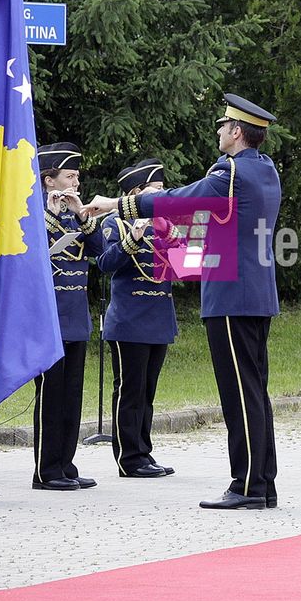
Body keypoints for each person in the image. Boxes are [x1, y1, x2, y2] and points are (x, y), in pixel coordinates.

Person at [83, 93, 281, 510]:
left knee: (240, 394)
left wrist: (116, 204)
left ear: (237, 132)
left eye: (224, 125)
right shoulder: (265, 169)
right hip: (257, 294)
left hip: (231, 296)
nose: (219, 130)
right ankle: (263, 483)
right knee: (255, 391)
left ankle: (247, 486)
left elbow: (179, 200)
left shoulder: (230, 172)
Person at [97, 159, 180, 479]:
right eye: (155, 190)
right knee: (130, 391)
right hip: (129, 321)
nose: (162, 195)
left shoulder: (166, 225)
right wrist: (132, 239)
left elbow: (186, 269)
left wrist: (175, 239)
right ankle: (128, 458)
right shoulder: (114, 223)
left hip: (159, 317)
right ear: (136, 193)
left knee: (147, 392)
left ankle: (144, 452)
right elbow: (105, 263)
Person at [31, 142, 102, 491]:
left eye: (76, 177)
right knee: (51, 395)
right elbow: (28, 254)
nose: (75, 184)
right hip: (48, 319)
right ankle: (46, 469)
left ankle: (65, 463)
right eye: (69, 177)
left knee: (72, 395)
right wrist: (49, 214)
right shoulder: (32, 214)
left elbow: (101, 252)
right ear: (49, 181)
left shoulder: (77, 215)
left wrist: (83, 217)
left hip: (75, 316)